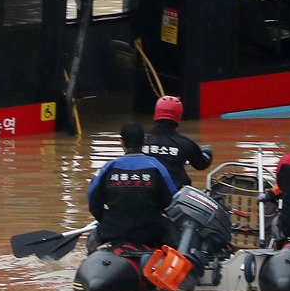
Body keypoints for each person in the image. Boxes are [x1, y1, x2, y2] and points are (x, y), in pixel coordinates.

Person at [85, 122, 178, 252]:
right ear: (144, 140)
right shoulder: (157, 167)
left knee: (91, 243)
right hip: (150, 232)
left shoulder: (109, 168)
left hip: (113, 231)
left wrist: (107, 219)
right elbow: (171, 200)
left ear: (121, 141)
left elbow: (93, 200)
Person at [143, 96, 213, 188]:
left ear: (156, 113)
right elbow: (201, 164)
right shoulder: (185, 143)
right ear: (178, 116)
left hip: (146, 190)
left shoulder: (141, 140)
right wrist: (207, 152)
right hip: (175, 193)